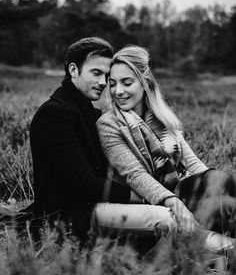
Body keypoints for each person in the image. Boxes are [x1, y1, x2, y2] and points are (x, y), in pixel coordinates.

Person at [27, 37, 178, 245]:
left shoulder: (88, 110)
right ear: (73, 70)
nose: (103, 83)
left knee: (172, 213)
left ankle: (223, 247)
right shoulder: (54, 115)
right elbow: (85, 183)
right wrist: (144, 197)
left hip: (97, 205)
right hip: (70, 218)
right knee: (165, 218)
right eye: (96, 73)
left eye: (106, 76)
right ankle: (220, 251)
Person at [97, 45, 236, 251]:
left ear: (144, 82)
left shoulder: (160, 116)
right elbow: (133, 174)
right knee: (223, 205)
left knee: (223, 189)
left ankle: (210, 243)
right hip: (153, 198)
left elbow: (192, 162)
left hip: (184, 189)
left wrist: (212, 186)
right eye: (113, 84)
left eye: (127, 83)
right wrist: (172, 201)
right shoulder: (109, 124)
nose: (118, 91)